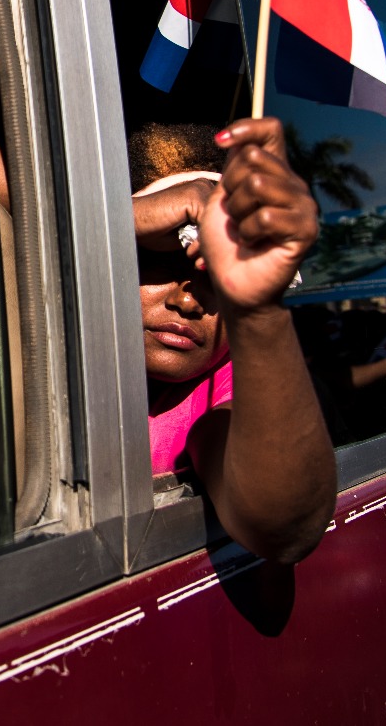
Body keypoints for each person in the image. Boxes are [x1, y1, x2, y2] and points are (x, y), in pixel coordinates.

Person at [129, 117, 335, 564]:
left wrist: (258, 309)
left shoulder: (229, 393)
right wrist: (112, 222)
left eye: (215, 278)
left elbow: (283, 525)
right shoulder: (55, 349)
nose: (188, 301)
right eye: (160, 259)